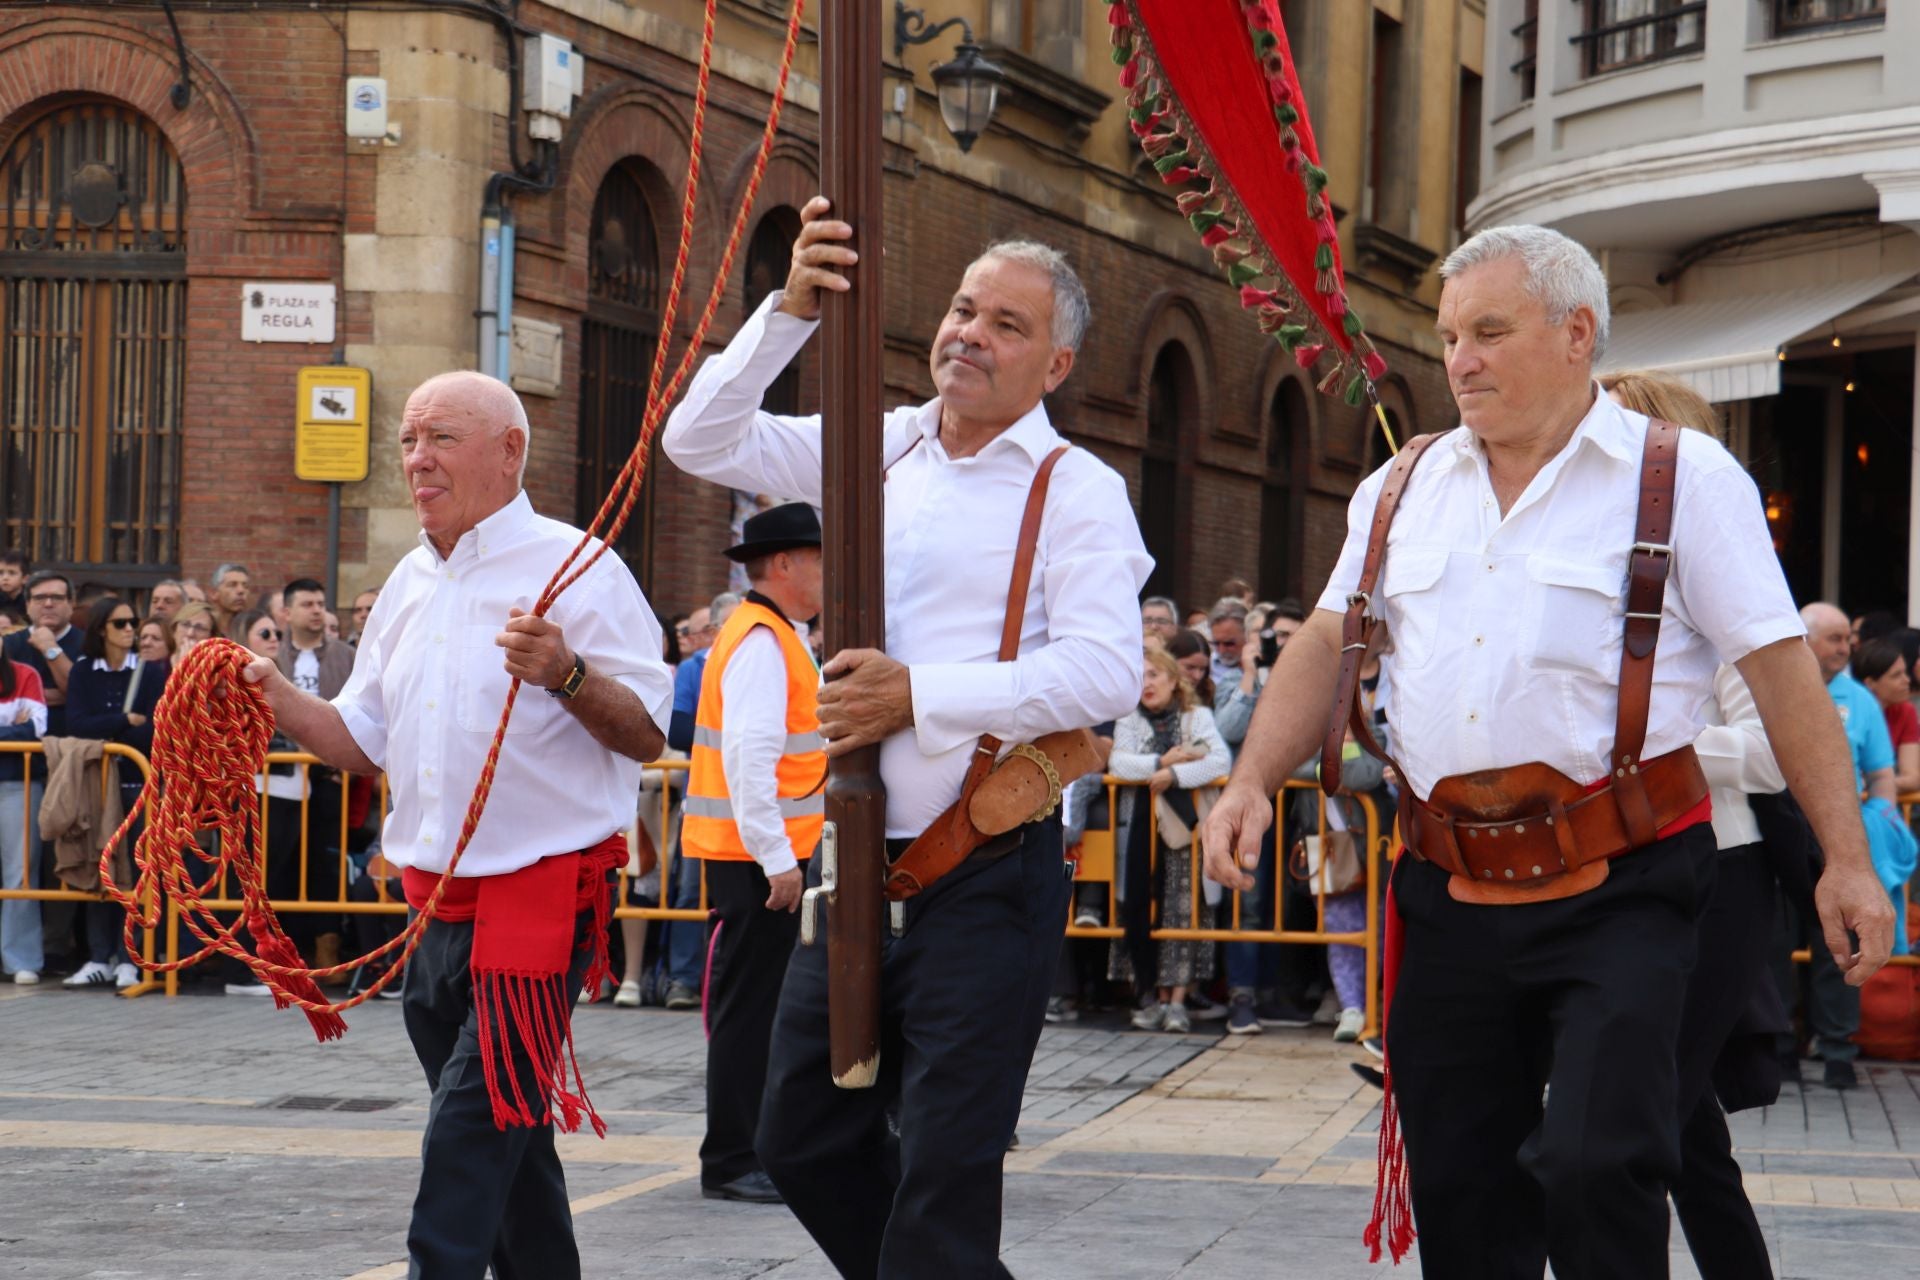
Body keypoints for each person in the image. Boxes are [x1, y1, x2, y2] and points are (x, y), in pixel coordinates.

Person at [1201, 224, 1891, 1276]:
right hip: (1445, 890)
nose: (1459, 359)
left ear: (1576, 333)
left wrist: (1846, 855)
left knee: (1596, 1160)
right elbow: (1331, 639)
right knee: (1464, 1191)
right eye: (1447, 337)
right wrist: (1251, 777)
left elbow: (1779, 666)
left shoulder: (1685, 478)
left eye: (1488, 331)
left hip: (1625, 883)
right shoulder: (1403, 486)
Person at [663, 200, 1149, 1277]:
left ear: (1056, 361)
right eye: (965, 308)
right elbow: (696, 438)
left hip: (981, 871)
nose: (971, 331)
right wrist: (787, 311)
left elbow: (1109, 671)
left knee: (946, 1164)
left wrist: (919, 694)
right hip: (854, 870)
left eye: (1008, 324)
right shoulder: (878, 445)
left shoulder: (1078, 493)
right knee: (797, 1133)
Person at [242, 370, 672, 1279]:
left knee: (470, 1125)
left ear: (510, 451)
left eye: (440, 437)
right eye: (407, 439)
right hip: (434, 903)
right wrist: (271, 694)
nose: (416, 459)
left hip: (544, 895)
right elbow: (361, 740)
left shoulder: (579, 565)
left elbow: (647, 732)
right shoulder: (405, 580)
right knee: (507, 1138)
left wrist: (568, 673)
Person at [682, 502, 825, 1205]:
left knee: (762, 1008)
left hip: (758, 852)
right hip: (757, 858)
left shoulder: (774, 634)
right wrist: (777, 859)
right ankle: (733, 1158)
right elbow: (750, 756)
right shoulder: (765, 640)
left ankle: (750, 1149)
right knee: (749, 1012)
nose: (832, 574)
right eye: (823, 559)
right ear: (788, 564)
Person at [1779, 602, 1900, 1089]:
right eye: (1834, 639)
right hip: (1780, 823)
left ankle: (1836, 1049)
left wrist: (1880, 829)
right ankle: (1779, 1043)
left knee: (1839, 940)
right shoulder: (1775, 685)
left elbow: (1882, 776)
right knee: (1776, 941)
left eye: (1845, 640)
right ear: (1804, 640)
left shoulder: (1860, 700)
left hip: (1839, 830)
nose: (1847, 647)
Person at [1106, 644, 1230, 1032]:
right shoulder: (1128, 718)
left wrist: (1174, 777)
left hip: (1187, 831)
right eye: (1140, 676)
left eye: (1154, 675)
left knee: (1184, 907)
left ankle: (1177, 1000)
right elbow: (1119, 763)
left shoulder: (1198, 716)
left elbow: (1220, 761)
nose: (1146, 683)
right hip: (1139, 830)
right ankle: (1150, 995)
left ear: (1174, 681)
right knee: (1139, 903)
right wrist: (1161, 763)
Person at [62, 595, 160, 989]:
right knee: (99, 871)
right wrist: (122, 721)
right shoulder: (85, 671)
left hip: (137, 785)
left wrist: (113, 730)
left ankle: (130, 957)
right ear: (102, 628)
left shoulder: (150, 672)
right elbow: (78, 724)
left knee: (135, 873)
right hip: (98, 786)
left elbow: (152, 730)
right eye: (120, 623)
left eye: (132, 622)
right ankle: (98, 956)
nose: (129, 630)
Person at [1, 645, 47, 984]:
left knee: (21, 873)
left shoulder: (25, 674)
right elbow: (18, 728)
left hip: (17, 784)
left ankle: (21, 959)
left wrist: (19, 728)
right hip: (15, 779)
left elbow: (35, 729)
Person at [1854, 636, 1920, 794]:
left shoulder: (1905, 710)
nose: (1907, 680)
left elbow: (1912, 778)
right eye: (1896, 675)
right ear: (1870, 683)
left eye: (1905, 672)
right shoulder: (1847, 711)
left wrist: (1874, 785)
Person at [209, 563, 252, 639]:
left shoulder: (251, 630)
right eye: (232, 585)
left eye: (246, 586)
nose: (241, 590)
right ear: (214, 593)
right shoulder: (204, 628)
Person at [0, 550, 25, 618]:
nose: (5, 578)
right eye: (1, 573)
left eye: (12, 573)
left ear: (24, 579)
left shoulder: (29, 600)